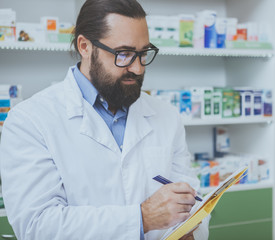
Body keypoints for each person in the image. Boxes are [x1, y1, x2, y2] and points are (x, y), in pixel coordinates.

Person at [0, 0, 209, 239]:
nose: (138, 68)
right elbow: (37, 225)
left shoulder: (167, 116)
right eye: (124, 54)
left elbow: (192, 200)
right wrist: (141, 218)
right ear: (85, 46)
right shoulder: (30, 120)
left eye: (143, 54)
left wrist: (190, 230)